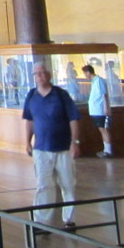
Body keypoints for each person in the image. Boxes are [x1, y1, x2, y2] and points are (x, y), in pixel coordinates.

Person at [22, 62, 80, 230]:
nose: (40, 76)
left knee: (68, 184)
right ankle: (41, 222)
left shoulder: (61, 95)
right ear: (34, 76)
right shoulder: (31, 95)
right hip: (41, 148)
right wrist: (27, 141)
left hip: (63, 148)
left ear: (49, 75)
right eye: (37, 73)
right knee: (43, 185)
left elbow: (73, 119)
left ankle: (69, 219)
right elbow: (29, 120)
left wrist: (74, 142)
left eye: (43, 72)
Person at [81, 64, 112, 158]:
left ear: (88, 72)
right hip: (95, 110)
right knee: (101, 129)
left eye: (85, 73)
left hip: (100, 110)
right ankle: (106, 149)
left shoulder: (99, 81)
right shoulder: (94, 81)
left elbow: (103, 95)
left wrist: (106, 107)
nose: (85, 76)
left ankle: (108, 151)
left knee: (103, 129)